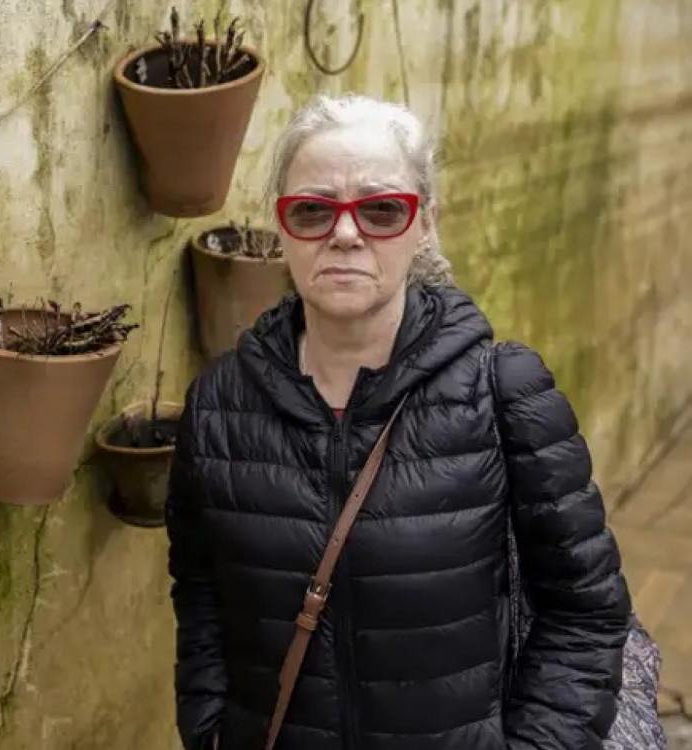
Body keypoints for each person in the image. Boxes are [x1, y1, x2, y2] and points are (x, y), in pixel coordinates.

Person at [164, 93, 633, 750]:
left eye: (382, 209)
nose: (347, 233)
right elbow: (202, 594)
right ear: (283, 227)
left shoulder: (502, 391)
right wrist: (211, 729)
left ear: (425, 225)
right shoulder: (219, 406)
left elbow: (585, 612)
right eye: (313, 209)